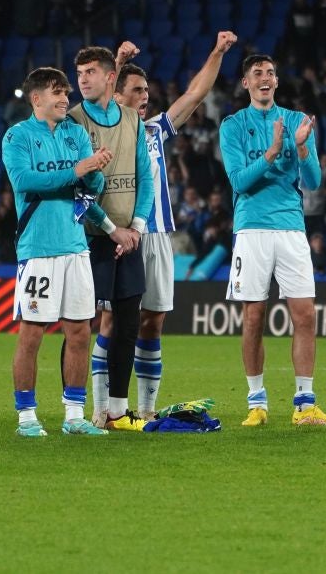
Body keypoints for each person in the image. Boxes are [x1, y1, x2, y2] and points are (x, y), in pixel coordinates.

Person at [111, 31, 236, 419]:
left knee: (154, 320)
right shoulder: (105, 131)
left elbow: (195, 94)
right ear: (119, 96)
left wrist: (216, 52)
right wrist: (115, 65)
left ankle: (146, 412)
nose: (145, 95)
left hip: (159, 234)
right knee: (110, 320)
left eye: (147, 89)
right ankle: (105, 410)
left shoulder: (154, 130)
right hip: (119, 236)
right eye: (136, 89)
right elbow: (95, 102)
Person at [221, 54, 326, 427]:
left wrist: (302, 147)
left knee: (305, 314)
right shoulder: (233, 125)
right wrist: (273, 152)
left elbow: (315, 181)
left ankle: (305, 403)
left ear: (276, 81)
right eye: (257, 73)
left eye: (271, 73)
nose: (265, 78)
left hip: (291, 227)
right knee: (253, 317)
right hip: (252, 228)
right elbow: (239, 182)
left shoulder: (296, 121)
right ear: (245, 83)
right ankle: (257, 402)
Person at [2, 67, 113, 438]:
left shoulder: (76, 133)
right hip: (38, 250)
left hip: (75, 247)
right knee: (32, 334)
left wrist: (95, 169)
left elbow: (89, 187)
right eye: (57, 93)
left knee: (80, 333)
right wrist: (77, 169)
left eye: (66, 92)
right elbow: (25, 181)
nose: (66, 98)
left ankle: (74, 415)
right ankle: (26, 417)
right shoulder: (17, 137)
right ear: (36, 99)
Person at [68, 46, 153, 431]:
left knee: (128, 323)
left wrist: (134, 228)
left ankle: (117, 411)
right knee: (81, 326)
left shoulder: (133, 119)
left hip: (129, 238)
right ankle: (75, 411)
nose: (82, 79)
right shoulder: (72, 122)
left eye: (89, 72)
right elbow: (77, 192)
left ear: (109, 77)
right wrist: (112, 229)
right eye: (79, 72)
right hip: (89, 236)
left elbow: (145, 178)